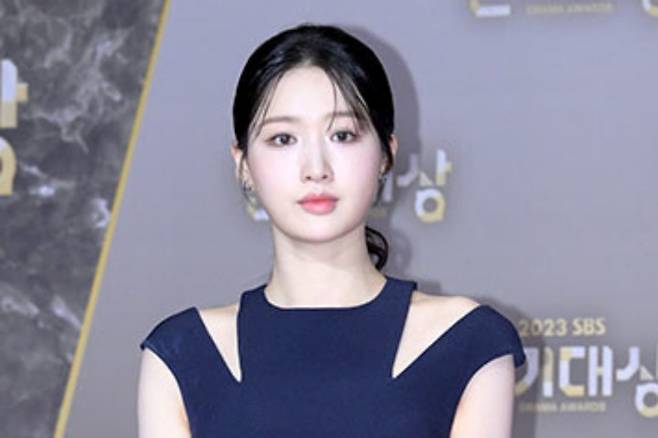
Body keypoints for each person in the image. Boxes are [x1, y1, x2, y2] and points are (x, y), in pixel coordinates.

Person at [137, 22, 526, 437]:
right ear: (243, 163)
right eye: (283, 139)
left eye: (342, 135)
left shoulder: (465, 342)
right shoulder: (183, 354)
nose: (316, 169)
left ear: (386, 154)